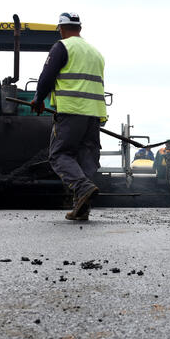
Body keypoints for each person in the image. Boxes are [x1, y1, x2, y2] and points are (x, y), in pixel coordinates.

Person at [31, 12, 106, 221]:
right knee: (86, 157)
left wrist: (38, 99)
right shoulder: (96, 52)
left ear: (61, 29)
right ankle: (82, 207)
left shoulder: (62, 46)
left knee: (59, 154)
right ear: (79, 28)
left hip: (72, 110)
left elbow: (47, 76)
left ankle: (82, 188)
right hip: (95, 114)